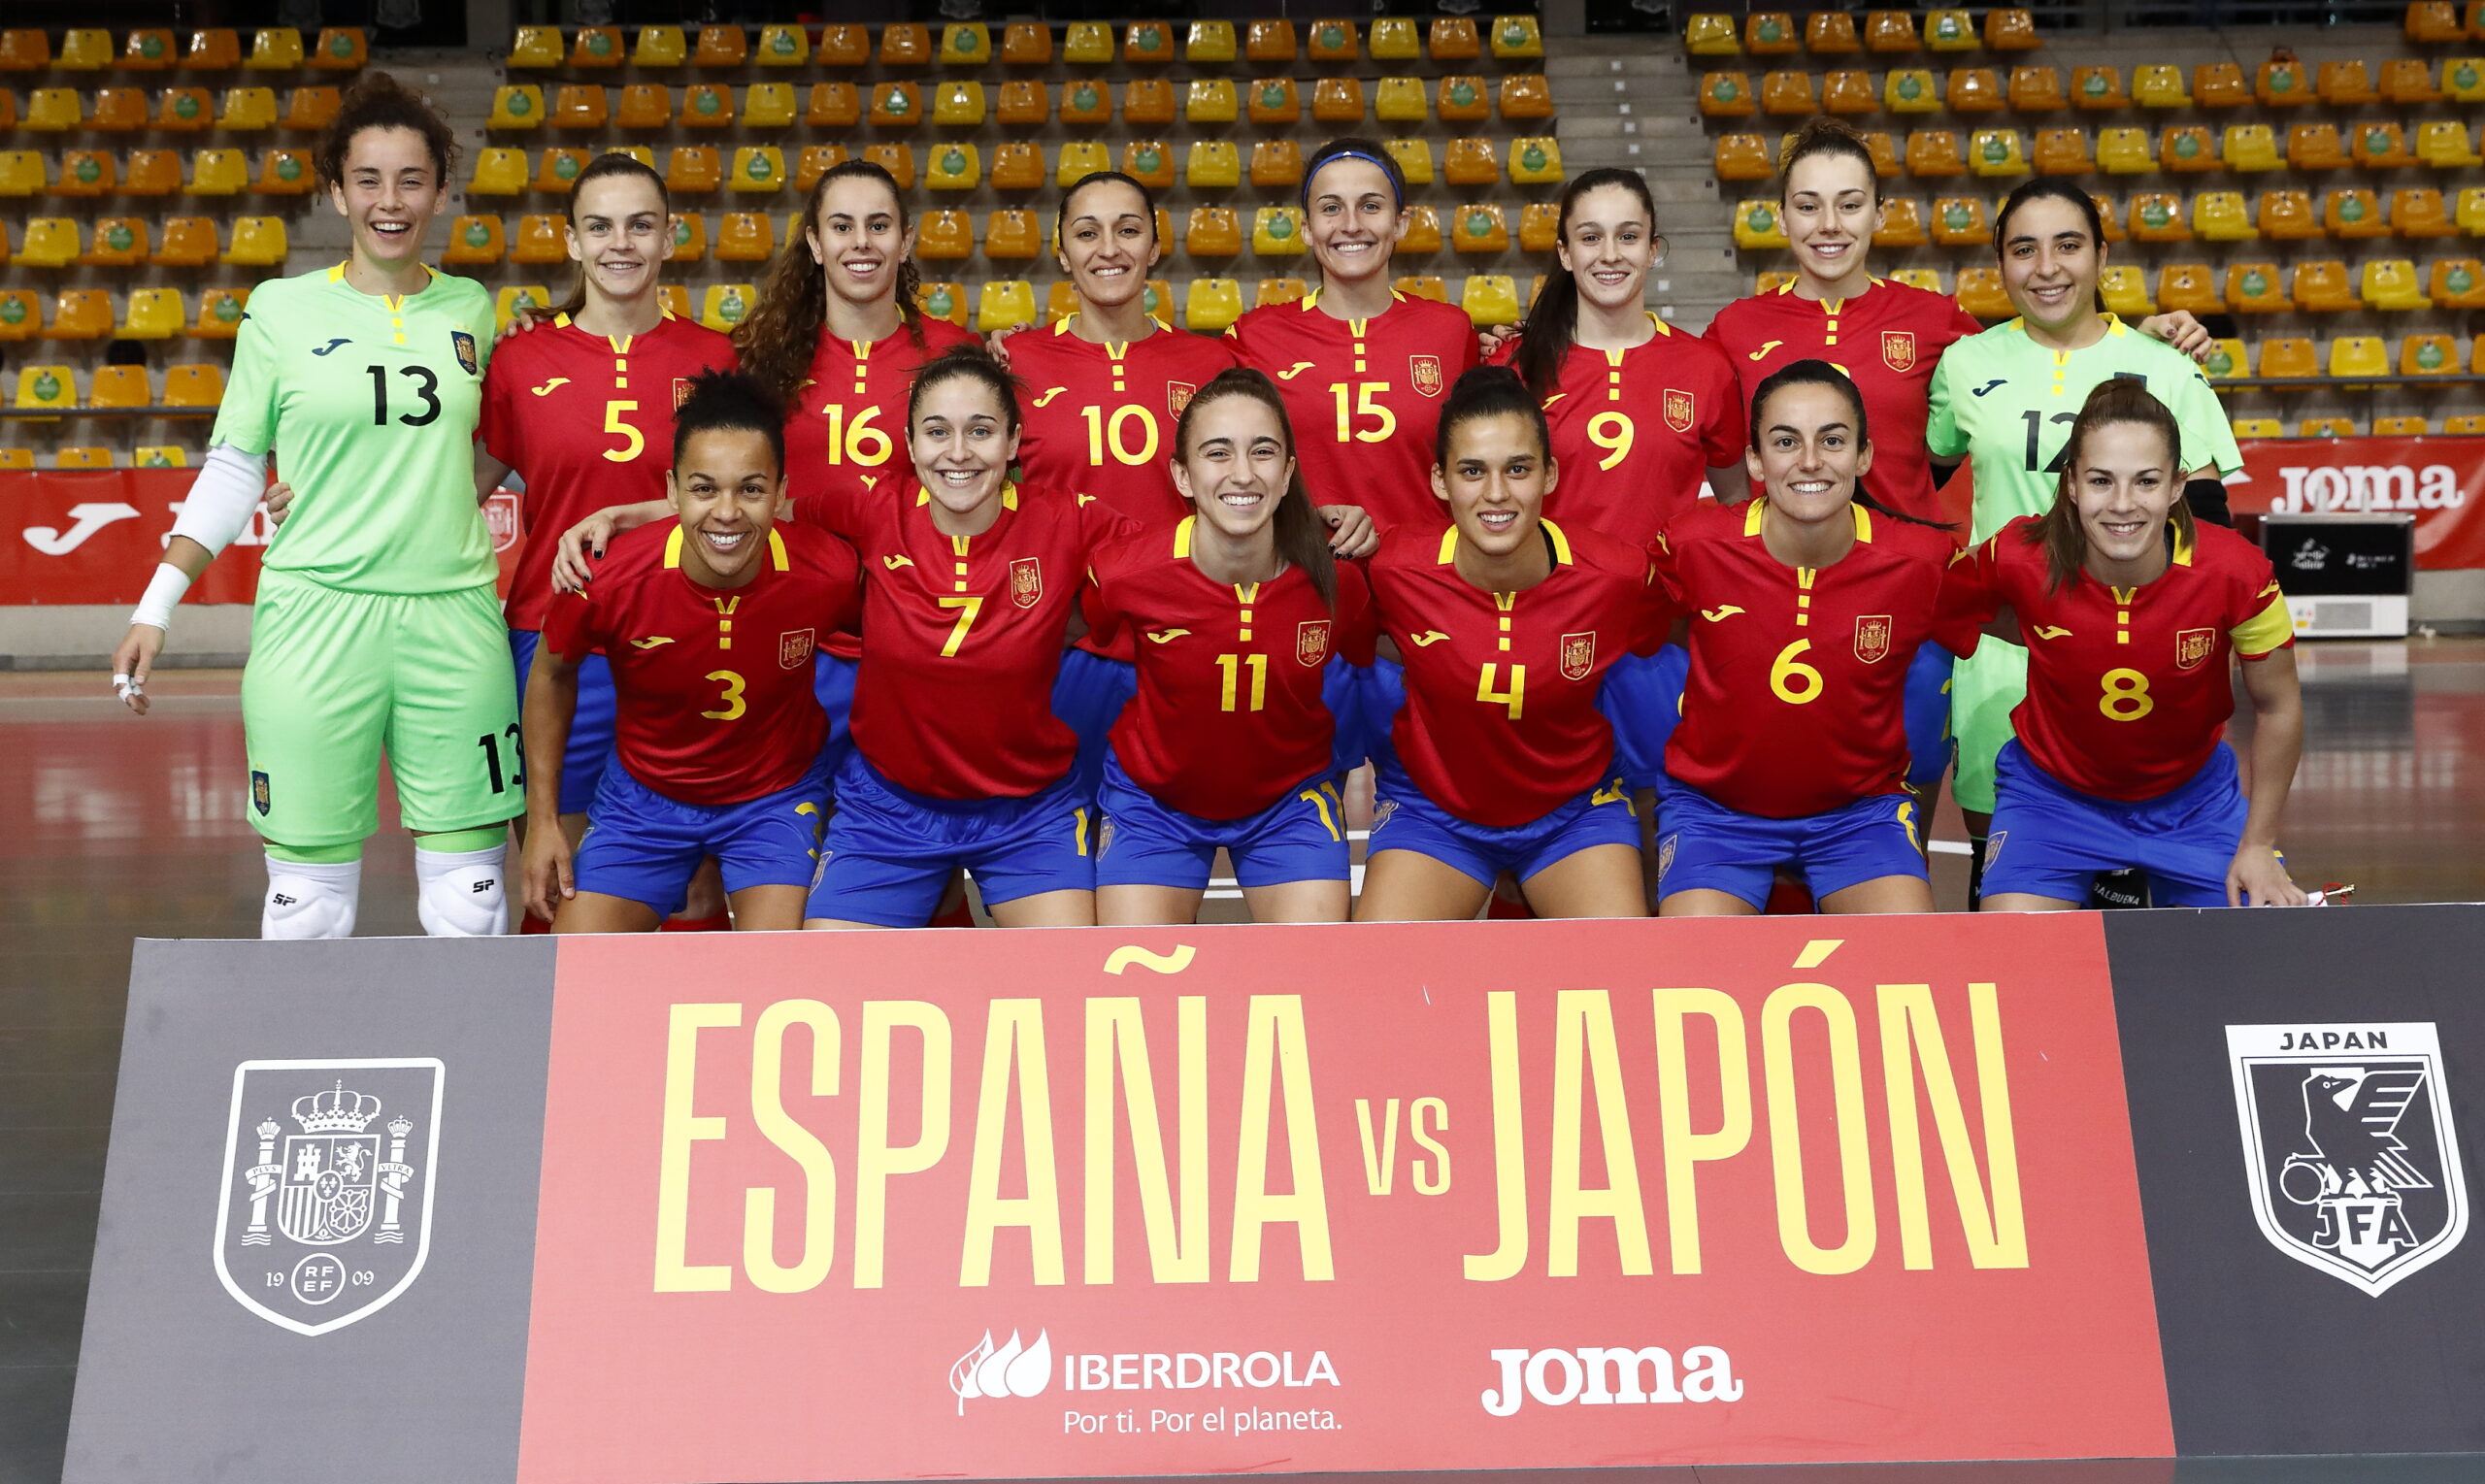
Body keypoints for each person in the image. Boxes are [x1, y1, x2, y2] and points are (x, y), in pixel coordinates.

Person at [109, 73, 514, 939]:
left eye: (411, 179)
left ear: (441, 190)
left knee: (470, 907)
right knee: (306, 910)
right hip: (316, 616)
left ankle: (474, 1073)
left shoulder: (473, 309)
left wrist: (420, 501)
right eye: (368, 180)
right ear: (336, 190)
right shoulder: (280, 310)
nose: (390, 201)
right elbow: (233, 468)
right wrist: (155, 607)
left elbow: (485, 453)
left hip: (453, 616)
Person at [1007, 171, 1379, 798]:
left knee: (1237, 824)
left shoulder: (1213, 364)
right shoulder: (1015, 365)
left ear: (1156, 246)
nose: (1110, 249)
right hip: (1077, 649)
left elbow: (1260, 462)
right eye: (1087, 232)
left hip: (1198, 643)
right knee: (1089, 847)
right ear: (1061, 249)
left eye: (1129, 230)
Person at [1928, 179, 2245, 904]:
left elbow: (2210, 532)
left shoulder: (2166, 366)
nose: (2046, 267)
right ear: (1999, 264)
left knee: (2138, 893)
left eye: (2068, 245)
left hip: (2132, 663)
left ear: (2102, 255)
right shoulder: (1966, 364)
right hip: (2004, 657)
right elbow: (1915, 480)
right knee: (2010, 875)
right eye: (2023, 249)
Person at [476, 153, 738, 922]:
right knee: (562, 873)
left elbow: (745, 499)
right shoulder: (522, 359)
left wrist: (638, 518)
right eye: (600, 226)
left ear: (669, 238)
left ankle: (688, 1041)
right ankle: (559, 1041)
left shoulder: (714, 357)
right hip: (555, 642)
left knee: (694, 885)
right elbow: (452, 490)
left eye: (639, 224)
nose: (620, 243)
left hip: (689, 633)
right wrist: (321, 499)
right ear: (572, 241)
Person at [801, 348, 1138, 929]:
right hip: (888, 809)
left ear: (1012, 443)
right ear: (909, 446)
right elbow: (752, 516)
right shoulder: (874, 506)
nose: (958, 453)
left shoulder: (1067, 518)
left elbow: (1177, 554)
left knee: (1068, 983)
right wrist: (637, 514)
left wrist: (1075, 619)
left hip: (1029, 814)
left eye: (980, 431)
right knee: (835, 984)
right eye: (937, 432)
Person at [521, 372, 861, 932]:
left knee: (790, 968)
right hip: (643, 801)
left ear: (780, 492)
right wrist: (543, 820)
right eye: (704, 488)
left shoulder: (829, 570)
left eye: (751, 489)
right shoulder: (605, 578)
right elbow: (552, 675)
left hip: (775, 800)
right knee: (578, 968)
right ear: (673, 491)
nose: (726, 512)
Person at [1948, 379, 2305, 909]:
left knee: (2253, 961)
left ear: (2177, 486)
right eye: (2100, 481)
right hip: (2051, 800)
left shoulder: (2237, 571)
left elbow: (2280, 706)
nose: (2121, 505)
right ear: (2070, 484)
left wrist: (2258, 844)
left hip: (2192, 804)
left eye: (2145, 482)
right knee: (2015, 959)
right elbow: (1940, 599)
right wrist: (2048, 634)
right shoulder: (2019, 554)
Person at [1653, 362, 1978, 917]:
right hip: (1716, 814)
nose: (1809, 461)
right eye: (1786, 441)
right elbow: (1655, 623)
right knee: (1692, 969)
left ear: (1864, 455)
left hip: (1860, 815)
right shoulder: (1693, 545)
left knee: (1912, 964)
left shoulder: (1921, 562)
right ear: (1755, 458)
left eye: (1832, 440)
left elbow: (2025, 622)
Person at [1495, 168, 1749, 861]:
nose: (1610, 254)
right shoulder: (1520, 365)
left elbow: (1737, 507)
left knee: (1650, 819)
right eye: (1591, 237)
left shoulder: (1703, 367)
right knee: (1531, 819)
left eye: (1628, 236)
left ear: (1655, 249)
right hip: (1543, 628)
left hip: (1654, 638)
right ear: (1565, 252)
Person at [1355, 367, 1654, 922]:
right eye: (1473, 471)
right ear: (1440, 481)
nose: (1496, 494)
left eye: (1518, 469)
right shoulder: (1395, 569)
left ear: (1550, 474)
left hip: (1575, 811)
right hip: (1435, 812)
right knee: (1382, 977)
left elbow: (1679, 642)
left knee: (1619, 972)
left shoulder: (1617, 575)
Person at [1085, 369, 1376, 925]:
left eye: (1263, 452)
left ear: (1288, 473)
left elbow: (1373, 650)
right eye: (1217, 453)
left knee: (1310, 978)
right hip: (1154, 803)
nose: (1242, 473)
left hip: (1288, 803)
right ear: (1183, 475)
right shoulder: (1125, 572)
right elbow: (1087, 631)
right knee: (1139, 977)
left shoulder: (1337, 580)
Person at [1224, 138, 1482, 536]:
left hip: (1426, 578)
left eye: (1371, 205)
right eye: (1331, 208)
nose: (1350, 224)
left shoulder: (1450, 330)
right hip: (1305, 577)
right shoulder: (1255, 336)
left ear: (1400, 222)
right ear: (1308, 229)